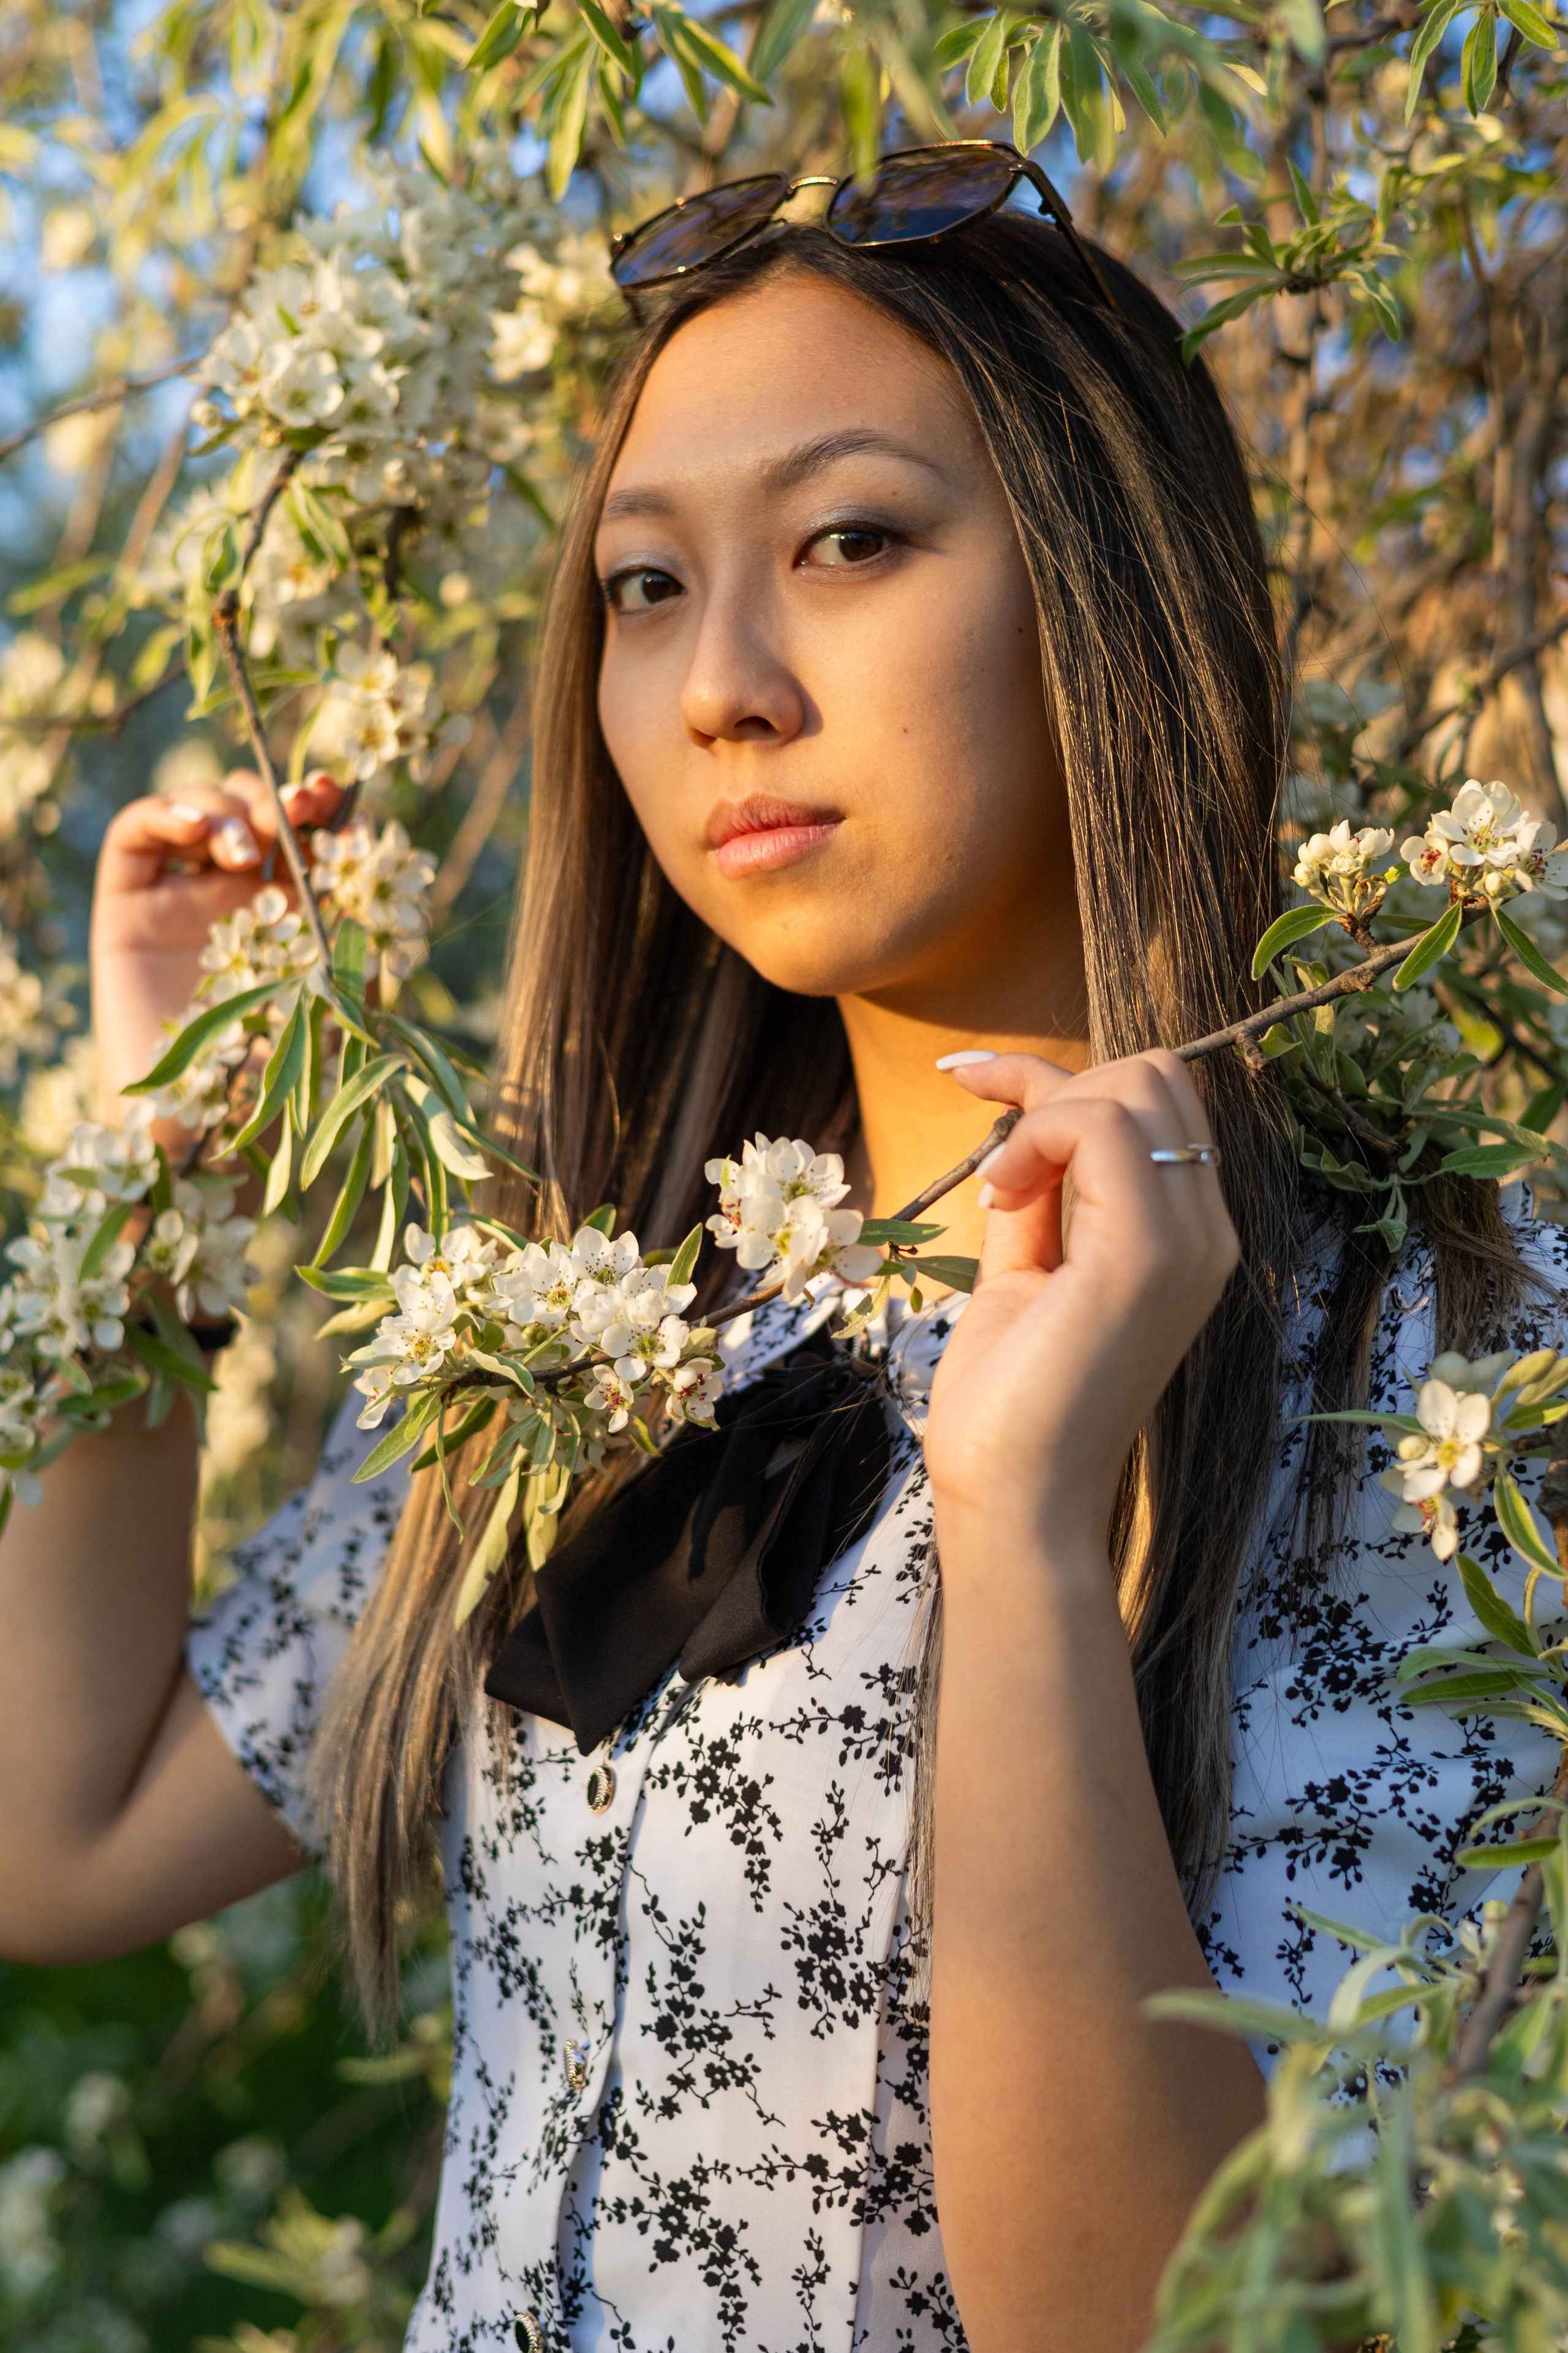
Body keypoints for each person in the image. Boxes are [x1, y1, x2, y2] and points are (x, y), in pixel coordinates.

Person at [0, 143, 1561, 2353]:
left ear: (1112, 592)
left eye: (851, 541)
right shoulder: (615, 1312)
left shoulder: (1437, 1364)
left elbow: (1182, 2324)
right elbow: (60, 1834)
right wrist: (163, 1155)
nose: (723, 679)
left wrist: (1018, 1528)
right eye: (645, 586)